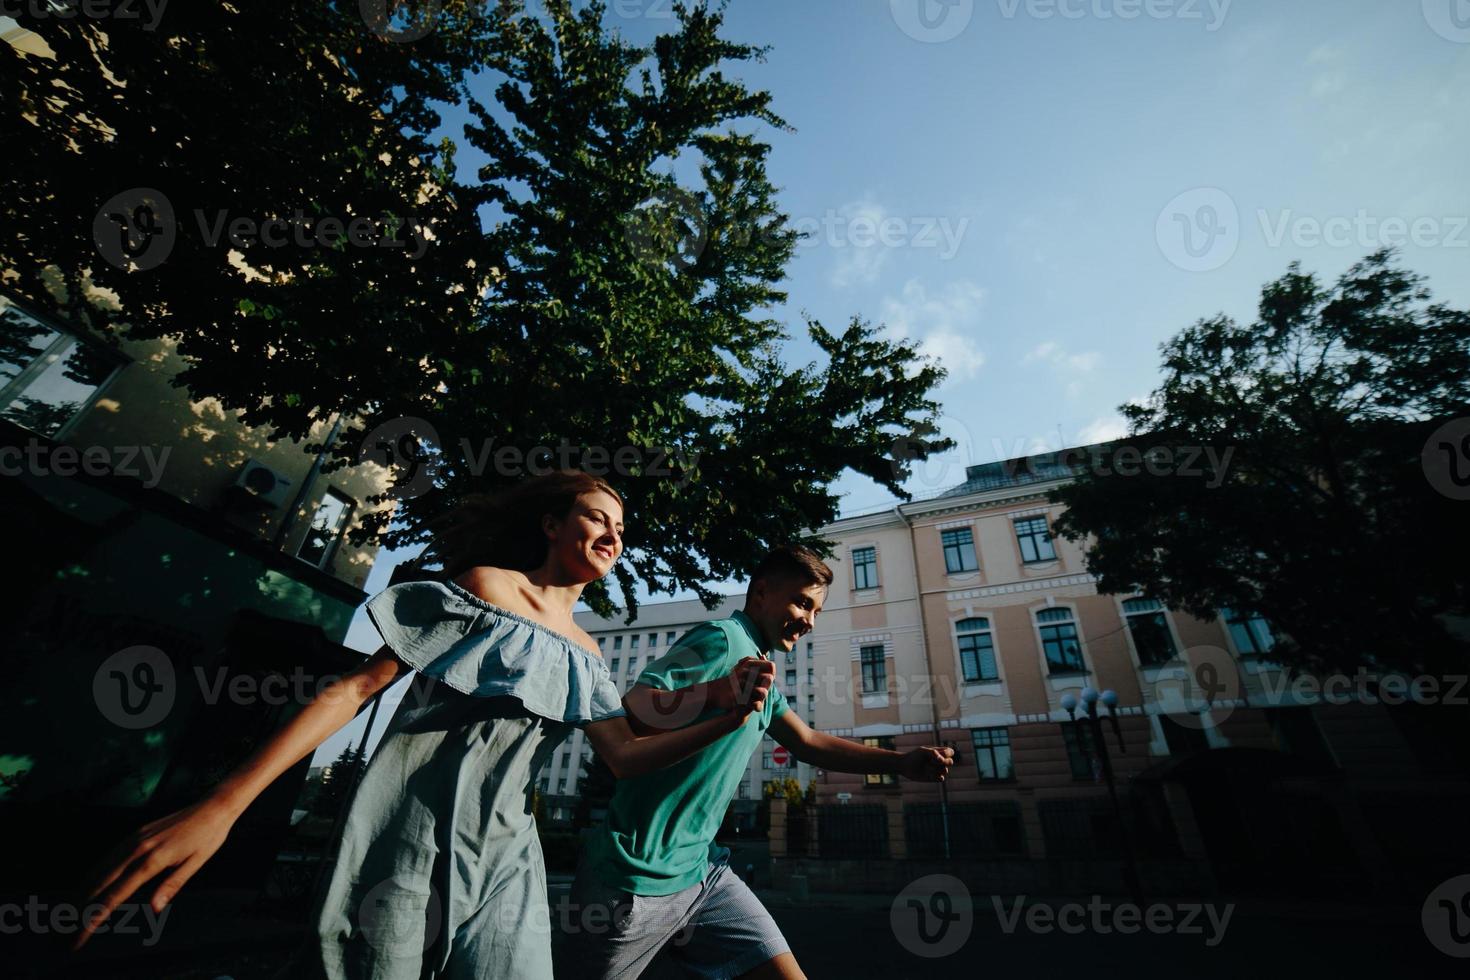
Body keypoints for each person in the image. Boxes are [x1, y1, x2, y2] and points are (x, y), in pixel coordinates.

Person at [74, 470, 774, 979]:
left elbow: (624, 753)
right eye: (596, 518)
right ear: (552, 525)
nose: (612, 535)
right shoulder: (484, 589)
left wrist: (728, 714)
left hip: (508, 861)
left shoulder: (589, 653)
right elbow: (351, 691)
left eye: (620, 529)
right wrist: (223, 806)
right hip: (405, 841)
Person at [563, 545, 955, 980]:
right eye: (802, 602)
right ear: (762, 592)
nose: (809, 620)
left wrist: (900, 762)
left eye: (817, 611)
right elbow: (635, 709)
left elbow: (807, 742)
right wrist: (717, 693)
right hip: (631, 879)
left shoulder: (761, 668)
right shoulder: (721, 639)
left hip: (703, 874)